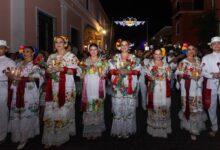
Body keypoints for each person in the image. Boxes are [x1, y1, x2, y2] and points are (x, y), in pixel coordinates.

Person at [42, 35, 81, 148]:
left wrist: (61, 69)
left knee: (63, 109)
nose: (58, 44)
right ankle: (50, 137)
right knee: (51, 109)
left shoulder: (71, 56)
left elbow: (74, 71)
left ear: (65, 44)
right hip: (53, 86)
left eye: (61, 42)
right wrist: (49, 71)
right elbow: (47, 71)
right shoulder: (51, 56)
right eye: (56, 42)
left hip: (67, 86)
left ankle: (61, 136)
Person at [7, 46, 43, 149]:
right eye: (24, 52)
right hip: (17, 93)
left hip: (29, 93)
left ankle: (24, 138)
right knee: (17, 114)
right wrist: (11, 76)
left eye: (28, 52)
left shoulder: (35, 65)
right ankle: (17, 136)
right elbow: (13, 75)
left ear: (32, 53)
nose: (25, 53)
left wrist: (21, 79)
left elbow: (37, 78)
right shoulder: (19, 63)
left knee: (26, 115)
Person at [108, 40, 141, 138]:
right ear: (119, 47)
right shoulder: (115, 58)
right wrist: (118, 71)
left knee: (129, 108)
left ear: (129, 46)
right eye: (122, 45)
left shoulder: (134, 58)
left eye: (126, 45)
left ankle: (127, 130)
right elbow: (110, 70)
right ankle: (119, 130)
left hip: (130, 86)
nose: (124, 47)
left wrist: (128, 72)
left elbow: (138, 71)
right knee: (118, 107)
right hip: (118, 87)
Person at [175, 45, 206, 140]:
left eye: (193, 49)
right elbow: (178, 75)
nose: (191, 51)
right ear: (186, 51)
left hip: (197, 87)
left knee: (197, 108)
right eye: (189, 49)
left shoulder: (198, 61)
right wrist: (188, 77)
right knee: (191, 108)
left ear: (195, 51)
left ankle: (196, 126)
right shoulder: (183, 62)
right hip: (187, 88)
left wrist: (199, 77)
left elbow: (202, 73)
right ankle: (192, 129)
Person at [80, 43, 108, 139]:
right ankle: (89, 130)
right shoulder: (85, 61)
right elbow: (81, 75)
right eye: (91, 49)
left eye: (95, 49)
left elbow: (105, 74)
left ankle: (96, 130)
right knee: (89, 107)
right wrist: (83, 71)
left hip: (98, 86)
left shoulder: (103, 61)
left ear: (98, 50)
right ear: (89, 51)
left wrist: (100, 71)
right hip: (88, 86)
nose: (93, 51)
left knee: (96, 105)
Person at [145, 49, 172, 138]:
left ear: (162, 55)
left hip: (164, 88)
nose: (158, 56)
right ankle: (154, 128)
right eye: (156, 54)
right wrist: (151, 77)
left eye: (159, 54)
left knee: (163, 106)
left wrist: (168, 72)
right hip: (154, 88)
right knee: (155, 105)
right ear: (153, 55)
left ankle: (163, 128)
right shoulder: (150, 64)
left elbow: (169, 76)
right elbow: (147, 75)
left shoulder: (166, 64)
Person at [201, 36, 220, 137]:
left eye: (218, 43)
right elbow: (203, 72)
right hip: (211, 84)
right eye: (215, 44)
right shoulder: (206, 58)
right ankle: (214, 127)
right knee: (211, 107)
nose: (217, 45)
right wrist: (213, 75)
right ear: (211, 46)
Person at [0, 40, 16, 143]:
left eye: (1, 48)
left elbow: (13, 77)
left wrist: (9, 75)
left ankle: (2, 135)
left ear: (5, 50)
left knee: (2, 111)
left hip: (2, 86)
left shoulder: (10, 62)